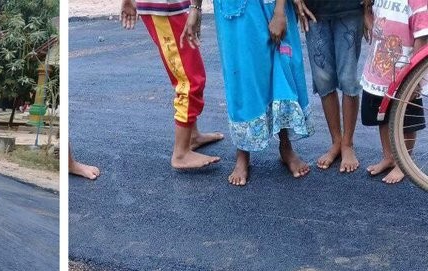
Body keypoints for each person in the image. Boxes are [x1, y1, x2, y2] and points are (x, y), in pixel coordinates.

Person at [204, 0, 313, 186]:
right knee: (240, 76)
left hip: (270, 5)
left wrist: (279, 11)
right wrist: (195, 8)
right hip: (232, 10)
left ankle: (286, 146)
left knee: (280, 68)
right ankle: (242, 153)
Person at [120, 0, 224, 171]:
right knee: (189, 81)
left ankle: (192, 136)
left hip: (170, 6)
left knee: (188, 72)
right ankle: (181, 154)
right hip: (164, 8)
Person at [361, 0, 427, 184]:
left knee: (406, 121)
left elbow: (422, 38)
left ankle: (403, 164)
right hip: (379, 71)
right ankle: (389, 156)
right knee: (382, 116)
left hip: (405, 73)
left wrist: (413, 77)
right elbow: (372, 18)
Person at [296, 0, 364, 173]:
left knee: (348, 78)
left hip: (350, 9)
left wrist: (369, 7)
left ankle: (347, 143)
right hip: (314, 11)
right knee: (323, 79)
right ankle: (336, 141)